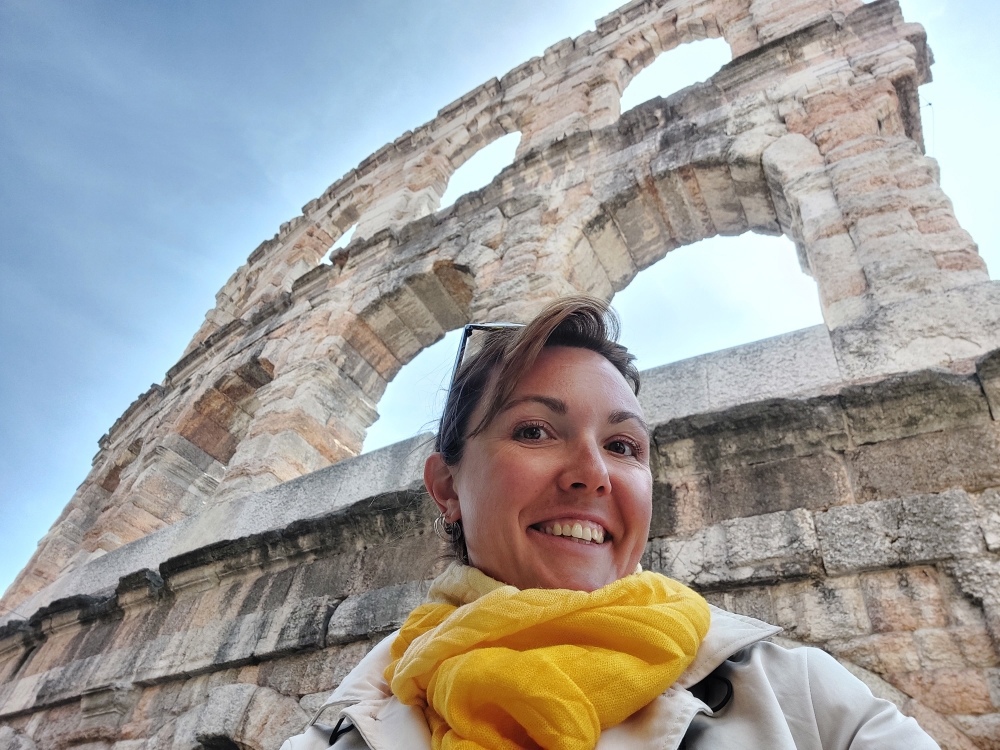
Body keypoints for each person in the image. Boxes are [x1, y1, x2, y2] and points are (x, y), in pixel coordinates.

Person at [281, 296, 939, 749]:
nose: (593, 473)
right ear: (447, 486)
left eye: (623, 446)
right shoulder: (347, 731)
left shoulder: (804, 696)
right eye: (535, 430)